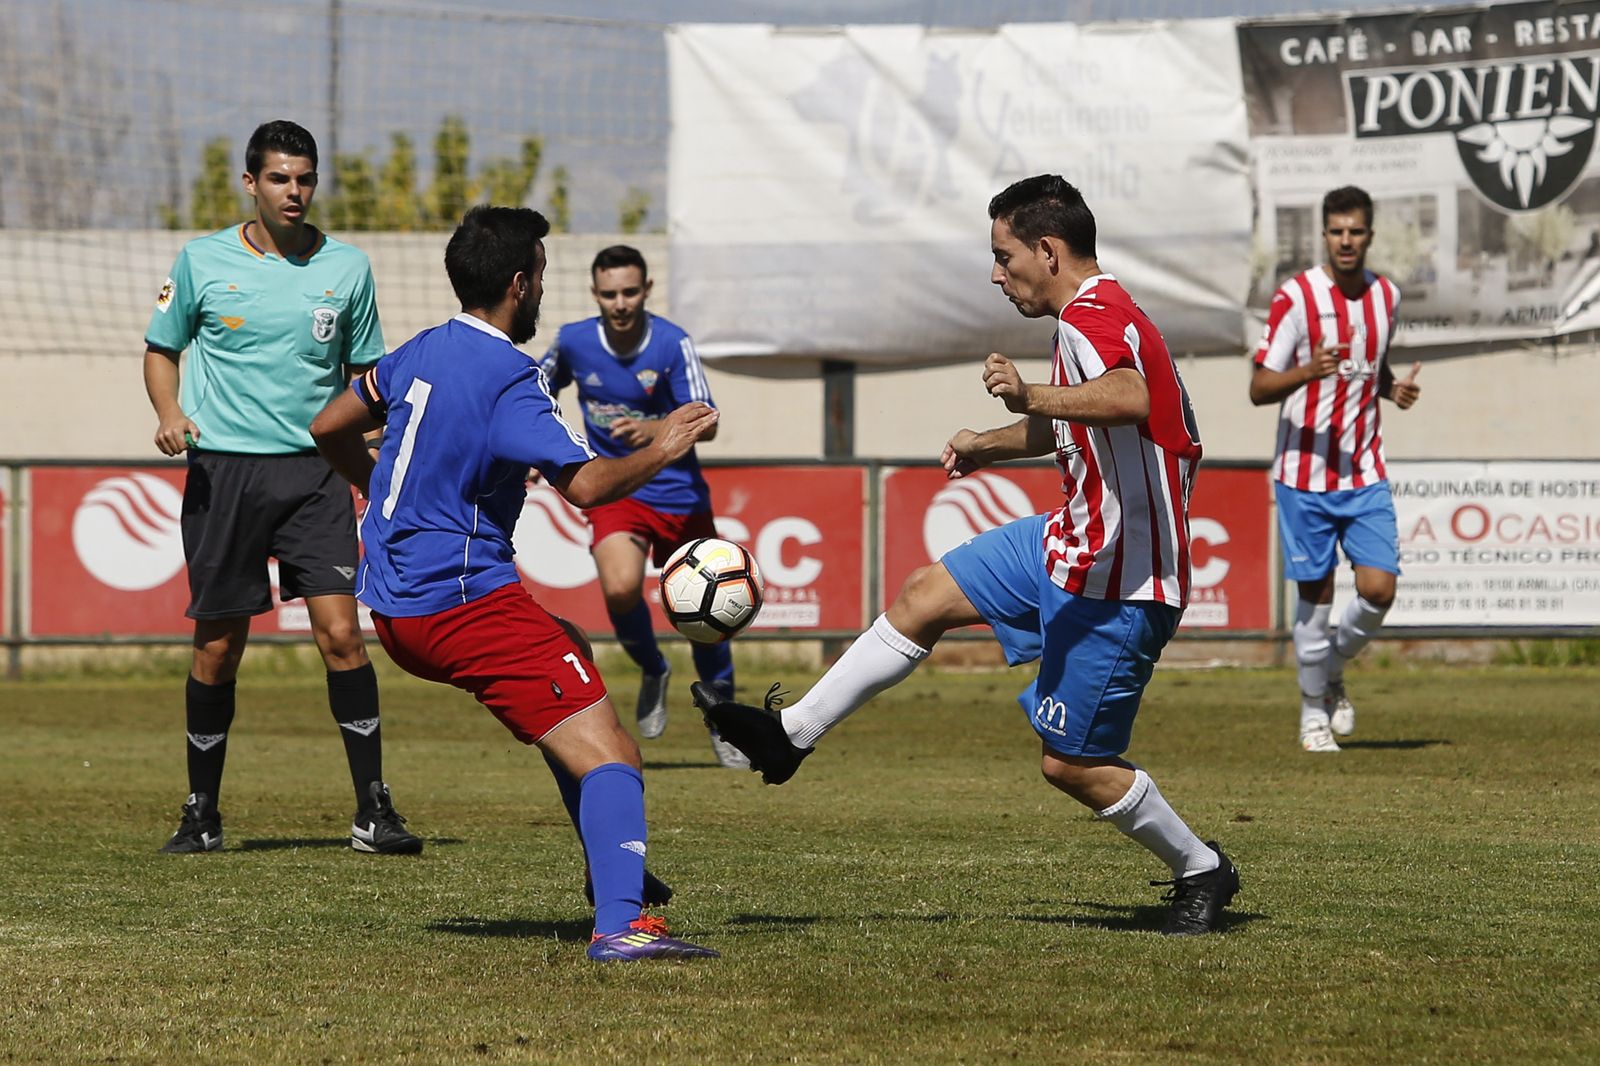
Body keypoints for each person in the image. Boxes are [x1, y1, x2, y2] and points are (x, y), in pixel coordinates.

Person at [694, 175, 1241, 936]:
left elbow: (1128, 397)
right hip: (1067, 539)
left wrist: (1027, 395)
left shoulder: (1095, 317)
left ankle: (1201, 869)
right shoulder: (1091, 315)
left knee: (1070, 765)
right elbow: (1085, 421)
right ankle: (790, 737)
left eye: (1003, 254)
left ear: (1047, 251)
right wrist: (989, 445)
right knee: (924, 596)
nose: (995, 274)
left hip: (1124, 580)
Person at [310, 205, 719, 962]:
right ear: (520, 283)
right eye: (541, 278)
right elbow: (590, 486)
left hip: (396, 602)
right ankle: (622, 924)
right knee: (614, 758)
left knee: (570, 646)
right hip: (460, 602)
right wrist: (664, 445)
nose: (541, 296)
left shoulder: (422, 348)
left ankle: (610, 863)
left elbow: (328, 425)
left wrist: (382, 492)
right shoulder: (510, 379)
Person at [143, 119, 420, 856]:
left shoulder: (348, 268)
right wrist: (170, 414)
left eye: (304, 179)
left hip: (315, 474)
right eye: (279, 178)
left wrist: (374, 445)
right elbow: (160, 352)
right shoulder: (202, 261)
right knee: (219, 649)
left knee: (341, 636)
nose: (293, 191)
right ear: (250, 183)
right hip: (223, 473)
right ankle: (201, 811)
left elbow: (368, 380)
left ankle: (373, 810)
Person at [539, 245, 746, 768]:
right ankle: (653, 667)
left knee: (705, 615)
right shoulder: (574, 341)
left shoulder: (673, 343)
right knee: (619, 585)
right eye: (609, 294)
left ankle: (725, 719)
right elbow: (535, 388)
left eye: (630, 291)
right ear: (595, 295)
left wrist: (655, 430)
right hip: (617, 492)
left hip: (678, 494)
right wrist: (540, 445)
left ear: (647, 290)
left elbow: (710, 419)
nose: (620, 302)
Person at [1249, 186, 1422, 753]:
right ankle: (1311, 713)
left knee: (1379, 589)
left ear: (1370, 235)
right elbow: (1258, 387)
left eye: (1356, 231)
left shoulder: (1387, 296)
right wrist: (1308, 369)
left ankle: (1328, 673)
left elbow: (1374, 361)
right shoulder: (1296, 297)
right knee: (1316, 597)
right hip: (1304, 473)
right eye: (1337, 231)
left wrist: (1391, 387)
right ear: (1324, 235)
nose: (1346, 241)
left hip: (1363, 467)